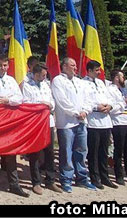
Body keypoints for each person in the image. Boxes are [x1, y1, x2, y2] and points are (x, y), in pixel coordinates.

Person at [0, 53, 29, 199]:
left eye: (5, 65)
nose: (3, 68)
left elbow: (19, 97)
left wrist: (7, 100)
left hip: (10, 119)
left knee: (11, 153)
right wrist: (1, 100)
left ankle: (14, 184)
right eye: (1, 65)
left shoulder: (10, 79)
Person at [51, 57, 96, 193]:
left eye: (76, 65)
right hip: (67, 123)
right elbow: (61, 100)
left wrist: (85, 111)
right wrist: (76, 112)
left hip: (81, 121)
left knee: (82, 151)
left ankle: (82, 178)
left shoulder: (80, 82)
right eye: (72, 65)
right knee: (66, 152)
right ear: (64, 66)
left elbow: (89, 99)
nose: (75, 68)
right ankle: (66, 179)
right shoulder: (58, 80)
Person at [22, 63, 62, 194]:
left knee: (50, 152)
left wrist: (50, 105)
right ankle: (36, 181)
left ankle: (50, 180)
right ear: (36, 74)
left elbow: (52, 101)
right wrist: (41, 104)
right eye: (43, 75)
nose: (45, 77)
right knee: (35, 152)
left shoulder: (46, 85)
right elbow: (26, 103)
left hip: (48, 122)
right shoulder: (27, 85)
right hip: (35, 123)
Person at [83, 60, 116, 189]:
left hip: (105, 121)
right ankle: (94, 177)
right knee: (94, 152)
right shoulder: (83, 83)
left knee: (104, 151)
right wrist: (97, 106)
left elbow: (109, 97)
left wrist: (110, 105)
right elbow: (85, 100)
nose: (99, 72)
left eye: (99, 70)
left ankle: (105, 176)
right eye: (96, 70)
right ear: (90, 70)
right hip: (93, 121)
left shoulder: (101, 83)